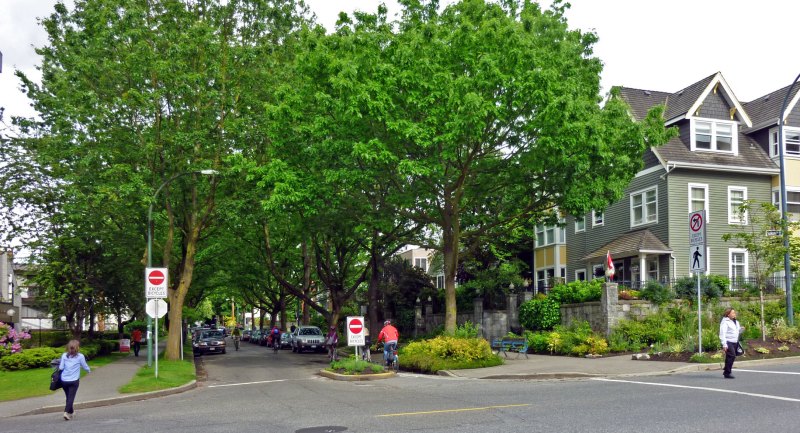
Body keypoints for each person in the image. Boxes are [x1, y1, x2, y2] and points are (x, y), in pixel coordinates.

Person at [59, 340, 91, 421]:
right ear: (78, 347)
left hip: (64, 380)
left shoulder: (64, 355)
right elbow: (84, 366)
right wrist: (89, 370)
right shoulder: (80, 356)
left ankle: (72, 412)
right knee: (71, 397)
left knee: (68, 396)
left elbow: (61, 367)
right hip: (74, 380)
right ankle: (66, 412)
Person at [719, 308, 745, 379]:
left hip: (735, 341)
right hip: (728, 341)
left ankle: (726, 369)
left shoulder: (736, 321)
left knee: (730, 356)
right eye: (732, 313)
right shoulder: (725, 322)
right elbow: (722, 333)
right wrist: (724, 344)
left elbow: (737, 331)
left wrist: (741, 329)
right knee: (732, 355)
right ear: (728, 314)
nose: (734, 314)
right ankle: (727, 372)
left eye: (734, 313)